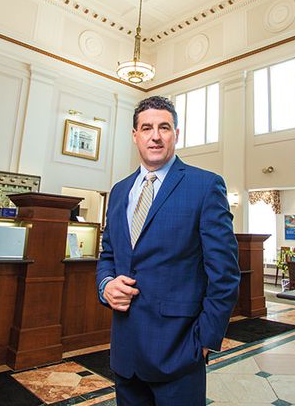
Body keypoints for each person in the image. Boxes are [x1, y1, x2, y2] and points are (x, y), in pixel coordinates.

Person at [96, 96, 240, 405]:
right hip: (125, 353)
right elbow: (108, 254)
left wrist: (203, 341)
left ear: (176, 133)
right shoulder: (120, 190)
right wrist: (105, 285)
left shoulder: (205, 186)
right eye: (146, 128)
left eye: (164, 127)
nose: (155, 136)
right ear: (135, 135)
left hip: (179, 353)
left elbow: (225, 275)